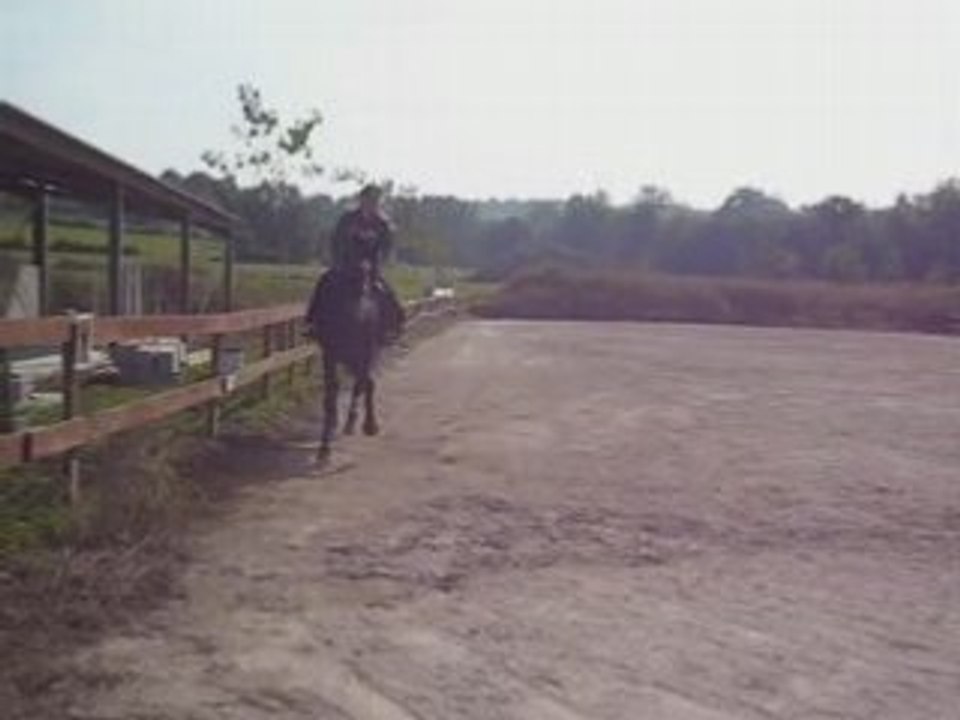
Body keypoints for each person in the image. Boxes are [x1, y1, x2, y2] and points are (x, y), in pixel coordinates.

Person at [306, 184, 405, 342]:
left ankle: (393, 326)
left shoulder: (382, 224)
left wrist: (378, 262)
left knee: (387, 293)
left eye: (375, 201)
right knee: (324, 282)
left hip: (370, 268)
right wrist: (338, 259)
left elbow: (387, 247)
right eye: (368, 200)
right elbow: (335, 241)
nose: (371, 204)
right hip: (345, 265)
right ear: (361, 200)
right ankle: (312, 323)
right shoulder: (347, 219)